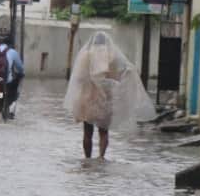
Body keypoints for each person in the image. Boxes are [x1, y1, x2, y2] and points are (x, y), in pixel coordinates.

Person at [63, 30, 156, 158]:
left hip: (87, 98)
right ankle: (101, 157)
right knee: (103, 131)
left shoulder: (85, 55)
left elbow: (78, 78)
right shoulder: (112, 56)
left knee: (87, 132)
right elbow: (121, 74)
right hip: (105, 99)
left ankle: (87, 159)